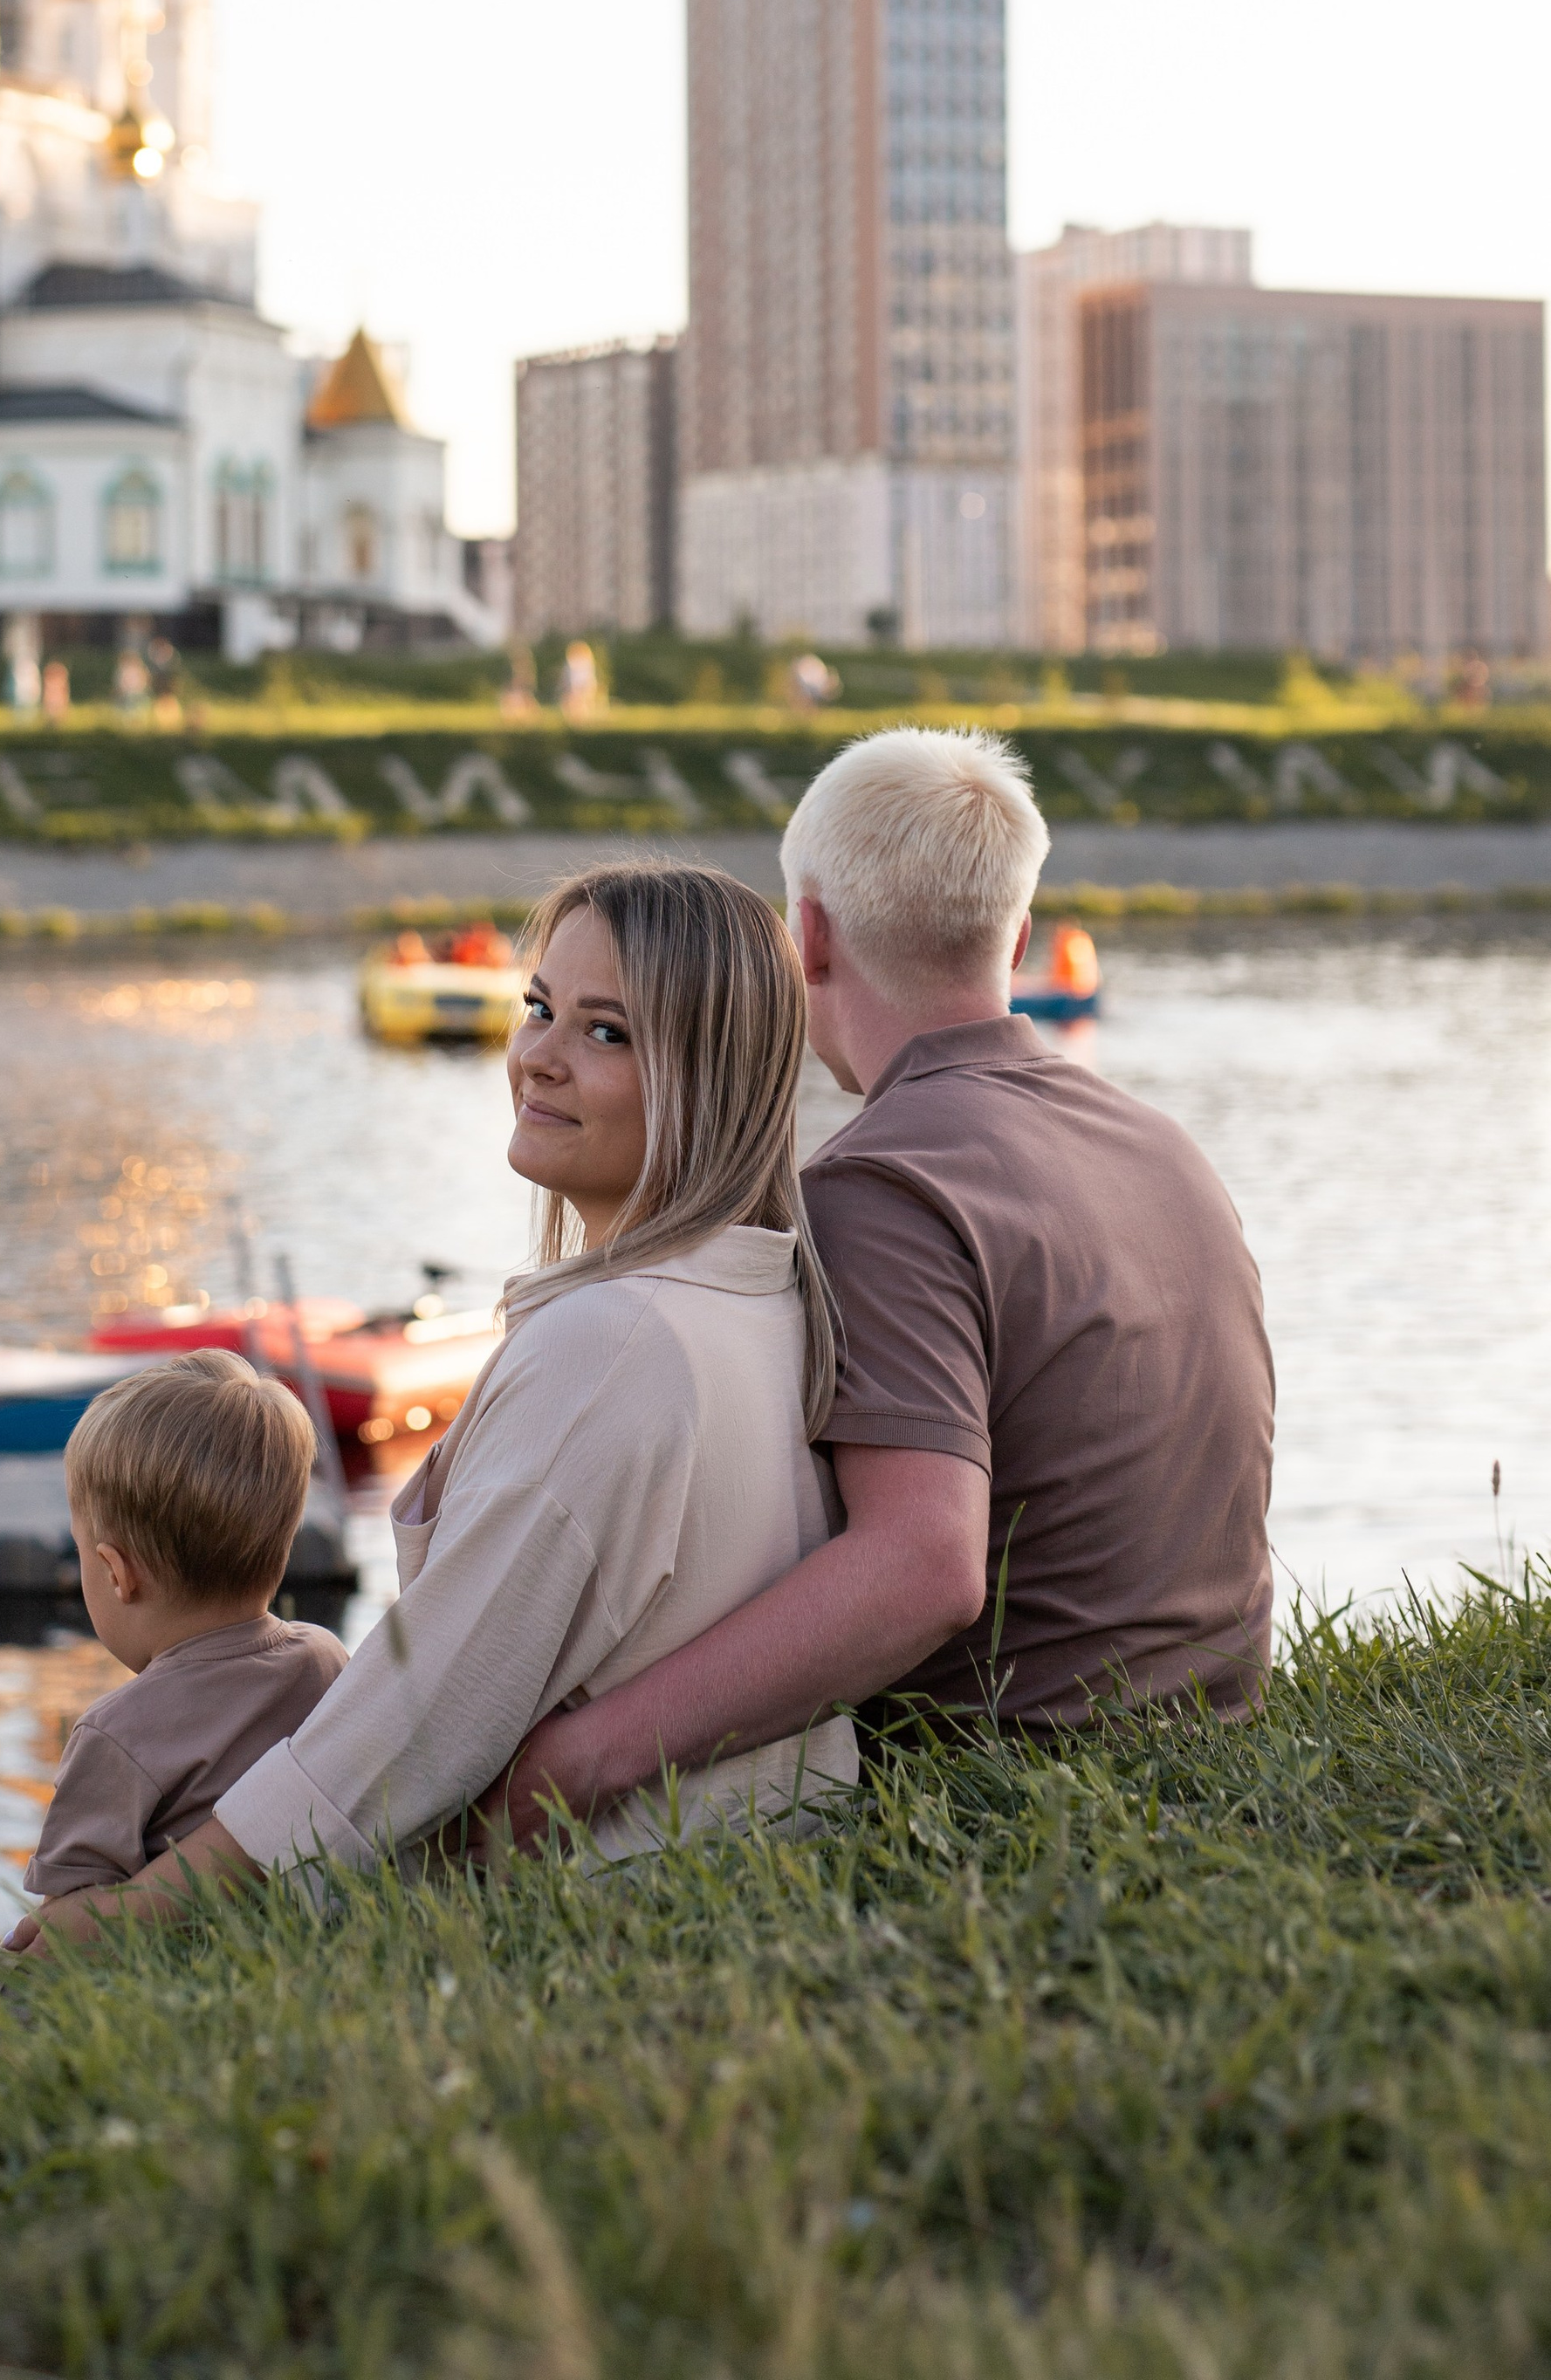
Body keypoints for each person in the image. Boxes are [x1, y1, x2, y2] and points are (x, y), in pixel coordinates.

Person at [31, 862, 857, 1943]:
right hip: (740, 1879)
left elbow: (420, 1724)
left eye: (606, 1033)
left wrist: (128, 1922)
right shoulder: (756, 1297)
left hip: (599, 1911)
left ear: (711, 1080)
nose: (537, 1057)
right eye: (539, 1008)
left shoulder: (614, 1346)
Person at [494, 728, 1276, 1842]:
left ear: (806, 936)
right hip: (1217, 1737)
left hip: (1008, 1790)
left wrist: (585, 1759)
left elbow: (923, 1567)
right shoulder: (1164, 1146)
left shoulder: (877, 1187)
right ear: (1014, 935)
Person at [0, 1352, 345, 2089]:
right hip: (279, 1990)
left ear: (115, 1572)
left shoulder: (118, 1733)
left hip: (131, 2034)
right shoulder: (327, 1662)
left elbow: (67, 1941)